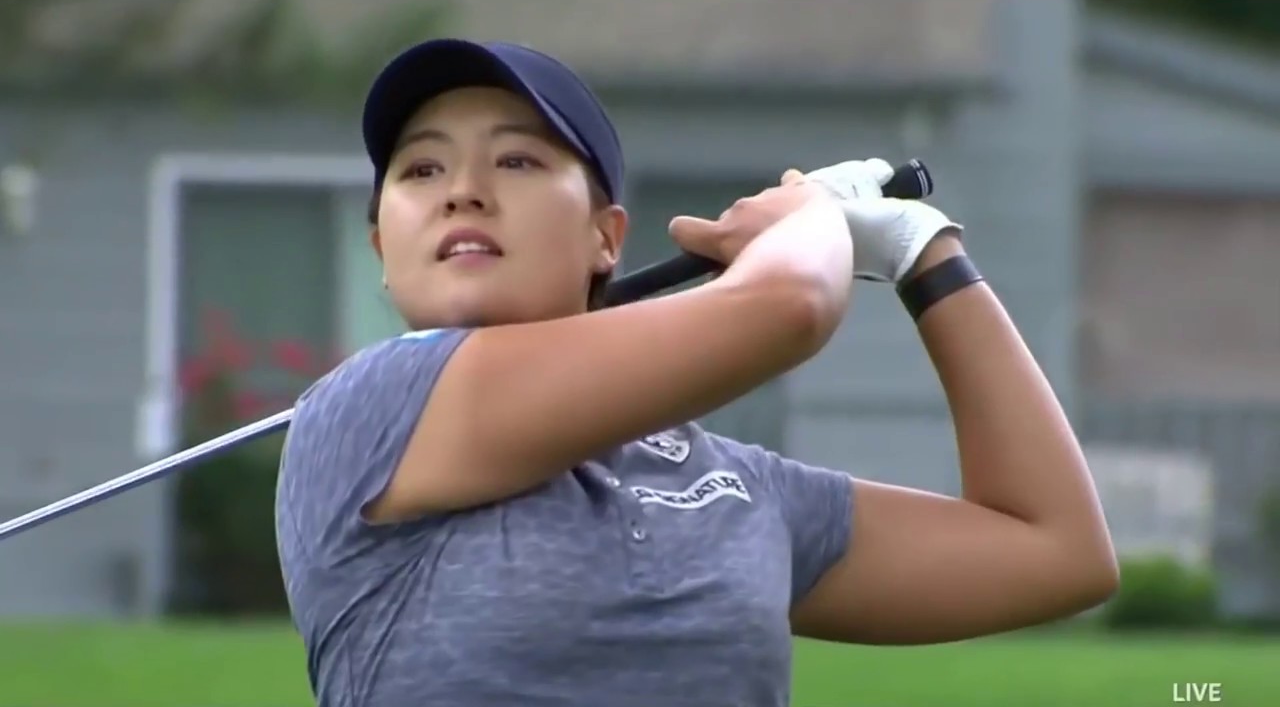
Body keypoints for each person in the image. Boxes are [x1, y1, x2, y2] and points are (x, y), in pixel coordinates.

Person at [274, 37, 1119, 707]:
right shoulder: (368, 407)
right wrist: (812, 218)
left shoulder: (730, 487)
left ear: (606, 236)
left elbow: (1056, 552)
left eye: (518, 160)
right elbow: (789, 305)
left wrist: (924, 253)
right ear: (381, 248)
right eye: (422, 169)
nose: (461, 190)